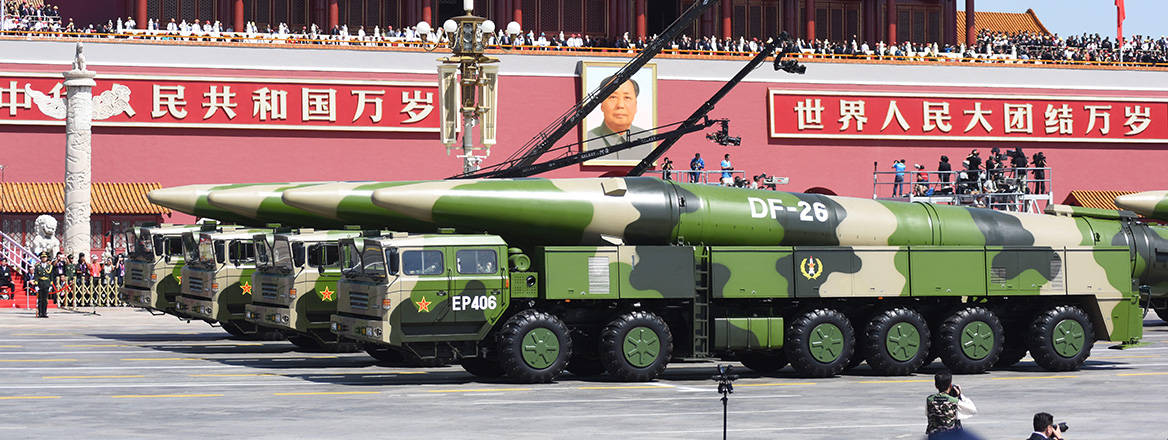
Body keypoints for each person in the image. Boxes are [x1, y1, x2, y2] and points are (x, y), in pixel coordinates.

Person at [584, 76, 649, 161]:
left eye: (627, 98)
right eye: (613, 97)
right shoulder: (588, 140)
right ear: (602, 105)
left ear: (636, 105)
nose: (620, 105)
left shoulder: (649, 141)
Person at [925, 370, 977, 437]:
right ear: (950, 386)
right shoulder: (954, 401)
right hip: (949, 436)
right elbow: (973, 410)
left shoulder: (929, 399)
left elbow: (927, 413)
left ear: (936, 385)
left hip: (934, 436)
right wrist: (960, 395)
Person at [34, 252, 53, 318]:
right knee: (40, 299)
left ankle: (44, 312)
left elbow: (51, 276)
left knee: (45, 299)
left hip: (46, 283)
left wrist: (51, 285)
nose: (44, 259)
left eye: (45, 257)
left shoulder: (49, 266)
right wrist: (36, 285)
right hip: (40, 283)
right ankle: (40, 313)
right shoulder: (37, 266)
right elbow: (36, 275)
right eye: (42, 257)